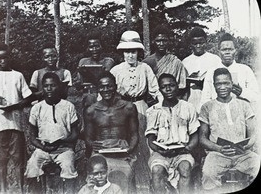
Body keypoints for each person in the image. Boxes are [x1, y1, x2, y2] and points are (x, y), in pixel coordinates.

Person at [110, 30, 163, 191]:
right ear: (122, 52)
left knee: (142, 143)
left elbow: (155, 89)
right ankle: (125, 184)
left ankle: (144, 184)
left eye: (133, 51)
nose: (130, 55)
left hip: (140, 106)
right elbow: (106, 93)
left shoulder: (145, 68)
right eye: (127, 51)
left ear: (138, 52)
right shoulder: (116, 70)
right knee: (124, 144)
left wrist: (163, 106)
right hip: (122, 108)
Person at [0, 44, 33, 193]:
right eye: (0, 57)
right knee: (1, 160)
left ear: (10, 57)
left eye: (5, 57)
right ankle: (4, 190)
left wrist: (15, 106)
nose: (2, 60)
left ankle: (21, 189)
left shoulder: (18, 76)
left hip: (15, 123)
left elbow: (28, 98)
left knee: (18, 160)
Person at [199, 68, 260, 192]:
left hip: (243, 153)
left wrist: (248, 145)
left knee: (257, 165)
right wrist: (219, 148)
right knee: (208, 173)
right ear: (214, 86)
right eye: (218, 84)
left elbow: (254, 133)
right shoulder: (207, 107)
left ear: (232, 84)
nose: (222, 87)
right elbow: (202, 138)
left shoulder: (244, 105)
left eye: (226, 83)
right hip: (218, 154)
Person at [84, 71, 139, 193]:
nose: (106, 89)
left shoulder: (128, 107)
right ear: (98, 89)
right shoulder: (91, 110)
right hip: (100, 153)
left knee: (123, 176)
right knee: (95, 180)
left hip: (122, 152)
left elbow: (135, 134)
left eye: (109, 86)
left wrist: (130, 149)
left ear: (115, 86)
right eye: (102, 87)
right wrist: (92, 145)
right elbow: (87, 137)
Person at [25, 72, 79, 193]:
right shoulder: (37, 108)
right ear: (42, 88)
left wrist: (63, 141)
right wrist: (44, 147)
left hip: (64, 148)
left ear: (59, 86)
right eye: (46, 86)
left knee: (68, 166)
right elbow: (32, 137)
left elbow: (75, 134)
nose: (49, 89)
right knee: (32, 165)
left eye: (53, 85)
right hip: (44, 149)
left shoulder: (68, 106)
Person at [145, 73, 200, 194]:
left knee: (185, 168)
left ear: (177, 86)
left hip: (183, 151)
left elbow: (195, 134)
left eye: (171, 85)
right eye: (164, 87)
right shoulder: (153, 110)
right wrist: (159, 150)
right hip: (161, 153)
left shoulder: (188, 107)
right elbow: (150, 138)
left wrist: (188, 148)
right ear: (160, 89)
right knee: (157, 170)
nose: (168, 89)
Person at [200, 32, 260, 111]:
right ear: (219, 52)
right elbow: (205, 99)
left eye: (230, 49)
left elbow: (257, 97)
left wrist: (242, 92)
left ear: (236, 51)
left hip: (240, 115)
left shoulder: (245, 70)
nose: (227, 52)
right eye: (224, 49)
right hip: (218, 114)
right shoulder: (211, 72)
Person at [143, 25, 188, 101]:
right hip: (152, 103)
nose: (161, 44)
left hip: (173, 102)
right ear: (153, 41)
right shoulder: (146, 63)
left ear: (168, 41)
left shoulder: (176, 62)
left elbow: (183, 86)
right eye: (158, 41)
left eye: (164, 40)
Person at [182, 27, 221, 112]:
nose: (198, 46)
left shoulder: (215, 59)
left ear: (206, 42)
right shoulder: (185, 62)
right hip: (192, 100)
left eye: (201, 43)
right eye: (195, 43)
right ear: (190, 44)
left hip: (211, 99)